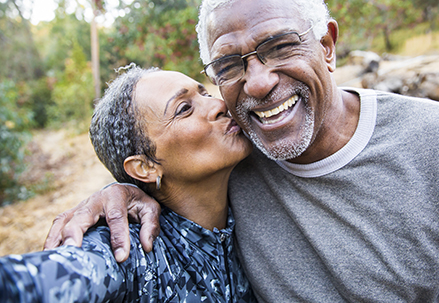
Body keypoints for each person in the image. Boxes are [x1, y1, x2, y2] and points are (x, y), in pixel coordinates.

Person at [44, 0, 439, 303]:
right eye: (229, 66)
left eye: (279, 46)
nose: (257, 83)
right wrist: (118, 192)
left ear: (327, 46)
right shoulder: (233, 158)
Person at [0, 65, 256, 302]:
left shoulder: (257, 185)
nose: (219, 105)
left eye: (205, 94)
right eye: (184, 109)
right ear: (145, 167)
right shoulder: (131, 251)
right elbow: (37, 281)